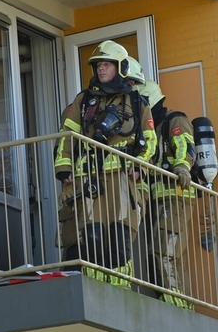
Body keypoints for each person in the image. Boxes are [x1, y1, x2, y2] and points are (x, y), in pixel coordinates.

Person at [54, 41, 156, 282]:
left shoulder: (137, 102)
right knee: (91, 238)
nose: (101, 69)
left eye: (107, 64)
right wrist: (64, 169)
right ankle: (95, 288)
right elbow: (66, 137)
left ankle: (119, 290)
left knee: (119, 238)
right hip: (89, 179)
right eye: (99, 65)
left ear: (119, 68)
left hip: (121, 180)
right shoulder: (83, 100)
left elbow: (150, 140)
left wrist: (139, 164)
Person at [138, 78, 197, 309]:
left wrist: (182, 166)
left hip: (175, 196)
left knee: (165, 249)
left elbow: (185, 145)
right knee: (155, 251)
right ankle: (165, 299)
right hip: (155, 199)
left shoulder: (174, 120)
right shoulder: (148, 130)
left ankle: (178, 304)